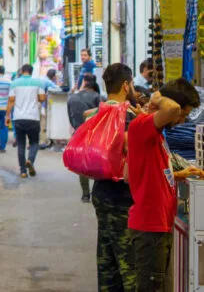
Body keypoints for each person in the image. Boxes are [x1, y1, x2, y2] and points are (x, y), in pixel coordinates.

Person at [128, 79, 202, 292]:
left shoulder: (155, 135)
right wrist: (158, 97)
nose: (181, 119)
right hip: (150, 228)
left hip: (157, 225)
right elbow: (173, 108)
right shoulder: (142, 126)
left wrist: (179, 174)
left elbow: (141, 173)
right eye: (183, 114)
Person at [88, 63, 138, 292]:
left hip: (100, 192)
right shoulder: (125, 115)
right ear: (126, 85)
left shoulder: (99, 112)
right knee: (128, 264)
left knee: (106, 259)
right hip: (122, 196)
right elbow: (129, 150)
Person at [5, 64, 46, 178]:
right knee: (34, 143)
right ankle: (30, 161)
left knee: (21, 145)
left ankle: (23, 171)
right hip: (33, 118)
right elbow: (42, 98)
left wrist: (7, 116)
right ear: (31, 72)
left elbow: (11, 101)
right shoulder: (38, 82)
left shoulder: (14, 83)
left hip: (18, 118)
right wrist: (34, 98)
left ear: (22, 71)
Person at [66, 74, 102, 203]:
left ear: (84, 83)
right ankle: (97, 191)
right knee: (98, 163)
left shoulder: (72, 97)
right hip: (94, 135)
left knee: (82, 164)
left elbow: (70, 118)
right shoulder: (97, 97)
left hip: (78, 134)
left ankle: (85, 194)